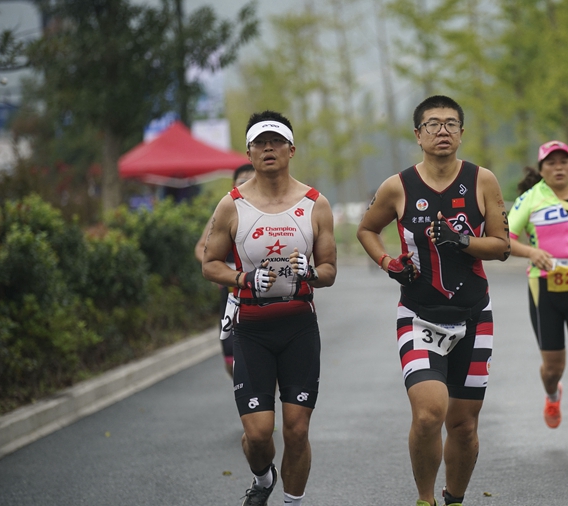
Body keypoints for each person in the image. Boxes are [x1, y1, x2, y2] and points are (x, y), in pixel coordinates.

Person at [356, 95, 510, 506]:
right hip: (419, 317)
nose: (443, 131)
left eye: (451, 124)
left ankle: (453, 499)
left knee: (463, 426)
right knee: (429, 414)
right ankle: (425, 499)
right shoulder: (398, 186)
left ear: (461, 132)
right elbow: (367, 230)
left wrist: (462, 241)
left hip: (475, 316)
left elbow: (501, 246)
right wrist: (389, 262)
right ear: (418, 134)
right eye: (433, 124)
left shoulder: (483, 180)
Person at [202, 110, 337, 506]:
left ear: (291, 149)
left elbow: (329, 270)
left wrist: (309, 273)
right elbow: (210, 264)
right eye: (260, 142)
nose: (268, 148)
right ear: (249, 151)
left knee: (296, 431)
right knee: (259, 435)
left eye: (276, 141)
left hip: (298, 328)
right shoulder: (232, 205)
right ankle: (262, 479)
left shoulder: (315, 203)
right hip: (252, 330)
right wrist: (244, 279)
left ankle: (293, 502)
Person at [507, 140, 568, 455]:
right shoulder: (529, 200)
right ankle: (552, 394)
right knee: (554, 368)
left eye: (564, 161)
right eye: (551, 163)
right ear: (541, 169)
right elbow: (505, 240)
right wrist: (532, 252)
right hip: (544, 291)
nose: (558, 167)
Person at [195, 163, 255, 377]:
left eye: (252, 180)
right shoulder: (225, 210)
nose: (247, 185)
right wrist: (218, 269)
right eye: (242, 182)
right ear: (233, 185)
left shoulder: (270, 211)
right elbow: (202, 248)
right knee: (231, 360)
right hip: (231, 295)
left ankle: (262, 398)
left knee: (266, 357)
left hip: (262, 293)